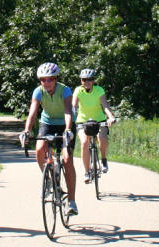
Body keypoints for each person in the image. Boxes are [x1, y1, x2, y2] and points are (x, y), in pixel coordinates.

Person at [21, 62, 78, 215]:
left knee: (67, 160)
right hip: (47, 123)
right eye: (43, 80)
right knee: (39, 150)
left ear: (56, 79)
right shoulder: (38, 92)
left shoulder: (65, 90)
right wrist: (26, 131)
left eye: (50, 79)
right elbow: (32, 113)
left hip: (65, 123)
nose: (46, 83)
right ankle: (48, 178)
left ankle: (71, 202)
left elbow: (67, 111)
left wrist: (67, 129)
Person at [73, 68, 118, 182]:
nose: (87, 82)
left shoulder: (99, 90)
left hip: (99, 120)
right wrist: (69, 118)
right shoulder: (78, 90)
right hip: (82, 121)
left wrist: (111, 117)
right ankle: (87, 172)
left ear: (93, 81)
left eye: (90, 79)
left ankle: (103, 160)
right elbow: (73, 106)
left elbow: (105, 106)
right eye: (84, 80)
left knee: (102, 138)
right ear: (81, 81)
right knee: (84, 143)